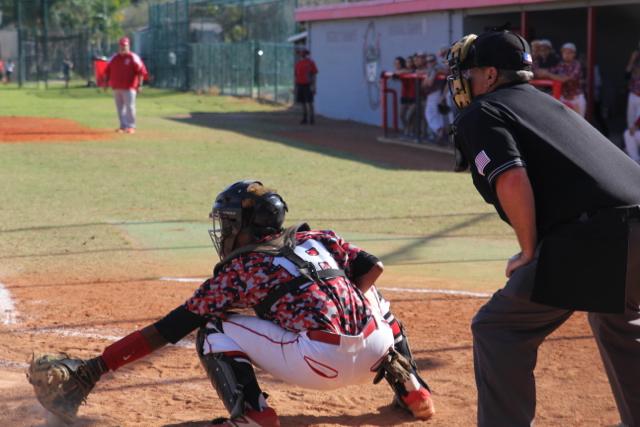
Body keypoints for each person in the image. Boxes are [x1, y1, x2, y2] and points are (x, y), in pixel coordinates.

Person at [27, 180, 435, 427]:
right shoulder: (318, 239)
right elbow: (372, 266)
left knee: (213, 329)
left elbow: (171, 327)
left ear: (244, 226)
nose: (224, 230)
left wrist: (99, 367)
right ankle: (412, 388)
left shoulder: (240, 271)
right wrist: (329, 306)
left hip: (319, 364)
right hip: (375, 351)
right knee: (370, 297)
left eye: (227, 223)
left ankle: (253, 414)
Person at [448, 30, 640, 427]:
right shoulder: (548, 106)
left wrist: (528, 250)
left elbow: (512, 177)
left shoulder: (482, 111)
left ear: (488, 75)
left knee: (497, 328)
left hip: (599, 233)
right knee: (618, 319)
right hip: (631, 222)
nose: (461, 81)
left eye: (466, 72)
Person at [103, 37, 148, 134]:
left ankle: (131, 127)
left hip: (130, 87)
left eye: (125, 46)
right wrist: (106, 83)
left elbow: (141, 72)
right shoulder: (114, 58)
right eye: (121, 46)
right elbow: (107, 71)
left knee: (130, 107)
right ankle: (123, 126)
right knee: (120, 108)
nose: (123, 47)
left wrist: (140, 85)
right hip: (116, 87)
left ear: (128, 46)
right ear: (118, 46)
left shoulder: (133, 57)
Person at [540, 42, 586, 117]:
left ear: (574, 54)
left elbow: (565, 79)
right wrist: (541, 71)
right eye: (564, 52)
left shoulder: (577, 64)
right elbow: (547, 72)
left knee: (579, 123)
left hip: (576, 98)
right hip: (563, 98)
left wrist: (548, 75)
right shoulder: (561, 65)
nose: (566, 54)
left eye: (569, 52)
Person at [392, 56, 416, 137]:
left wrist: (397, 73)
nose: (396, 65)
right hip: (405, 96)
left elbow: (409, 71)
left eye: (398, 63)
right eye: (395, 63)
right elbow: (395, 76)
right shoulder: (401, 71)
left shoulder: (413, 70)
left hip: (414, 96)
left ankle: (411, 131)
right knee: (401, 115)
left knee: (410, 116)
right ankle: (407, 130)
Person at [294, 49, 318, 125]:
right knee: (303, 102)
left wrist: (313, 86)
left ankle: (312, 118)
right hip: (300, 84)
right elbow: (296, 75)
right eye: (301, 53)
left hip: (308, 85)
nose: (302, 55)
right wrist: (295, 87)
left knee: (310, 102)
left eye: (303, 53)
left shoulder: (310, 63)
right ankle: (305, 118)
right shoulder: (298, 63)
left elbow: (314, 75)